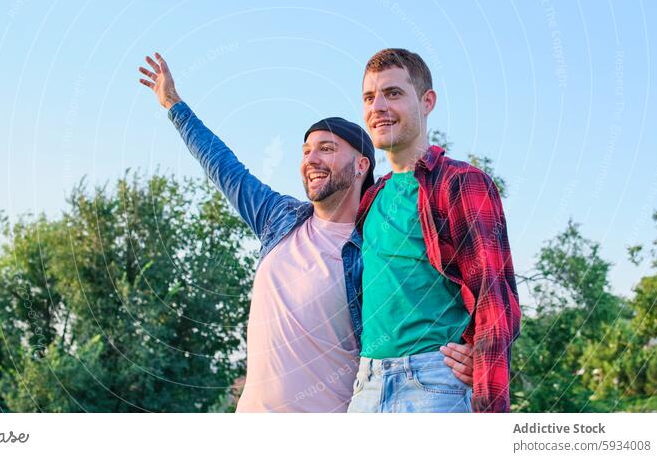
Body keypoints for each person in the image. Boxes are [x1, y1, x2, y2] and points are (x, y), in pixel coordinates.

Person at [138, 52, 474, 412]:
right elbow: (223, 166)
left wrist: (475, 352)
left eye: (326, 149)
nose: (310, 160)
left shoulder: (375, 244)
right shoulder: (278, 219)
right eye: (306, 151)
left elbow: (442, 293)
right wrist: (173, 104)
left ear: (362, 164)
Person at [348, 48, 521, 413]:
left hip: (433, 384)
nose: (377, 106)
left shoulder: (460, 182)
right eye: (369, 97)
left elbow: (495, 297)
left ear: (427, 102)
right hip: (366, 386)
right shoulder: (370, 200)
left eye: (393, 93)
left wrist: (488, 390)